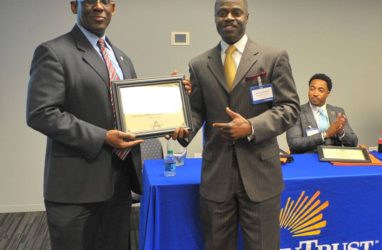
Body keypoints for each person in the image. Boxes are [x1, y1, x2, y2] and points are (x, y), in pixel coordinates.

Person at [26, 0, 192, 249]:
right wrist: (102, 137)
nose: (98, 6)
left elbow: (134, 111)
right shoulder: (53, 52)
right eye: (89, 1)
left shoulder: (121, 58)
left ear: (113, 8)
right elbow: (41, 113)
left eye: (105, 1)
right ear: (74, 6)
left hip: (119, 182)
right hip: (76, 189)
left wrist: (172, 101)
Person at [174, 0, 300, 249]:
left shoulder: (273, 58)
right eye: (222, 13)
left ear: (247, 17)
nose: (229, 17)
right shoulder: (199, 64)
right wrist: (182, 128)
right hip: (217, 175)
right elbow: (198, 110)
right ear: (215, 18)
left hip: (260, 175)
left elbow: (289, 108)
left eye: (236, 12)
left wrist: (251, 127)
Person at [286, 73, 358, 154]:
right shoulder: (296, 112)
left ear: (328, 93)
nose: (315, 94)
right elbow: (294, 143)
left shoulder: (338, 112)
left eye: (320, 90)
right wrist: (325, 134)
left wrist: (341, 132)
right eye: (312, 89)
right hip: (309, 159)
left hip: (334, 158)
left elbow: (353, 143)